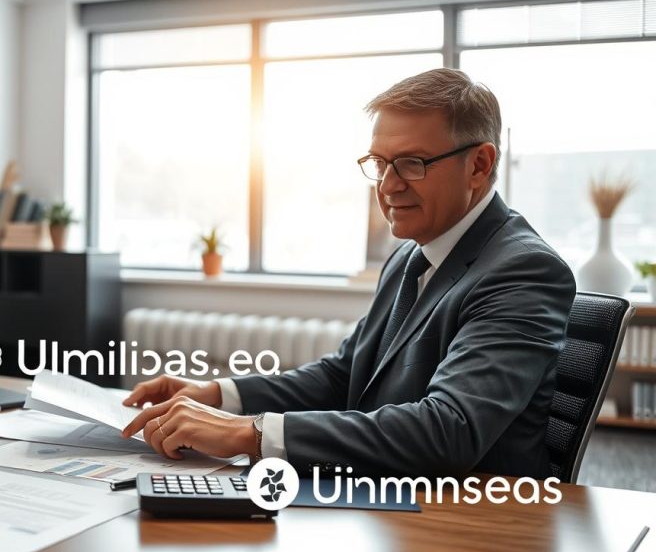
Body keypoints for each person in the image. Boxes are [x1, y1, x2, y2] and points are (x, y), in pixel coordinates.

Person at [121, 68, 575, 478]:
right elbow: (342, 377)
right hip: (386, 496)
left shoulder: (523, 270)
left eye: (412, 164)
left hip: (470, 519)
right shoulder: (408, 257)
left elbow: (448, 430)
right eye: (380, 164)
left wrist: (250, 433)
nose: (389, 185)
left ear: (479, 165)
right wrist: (218, 395)